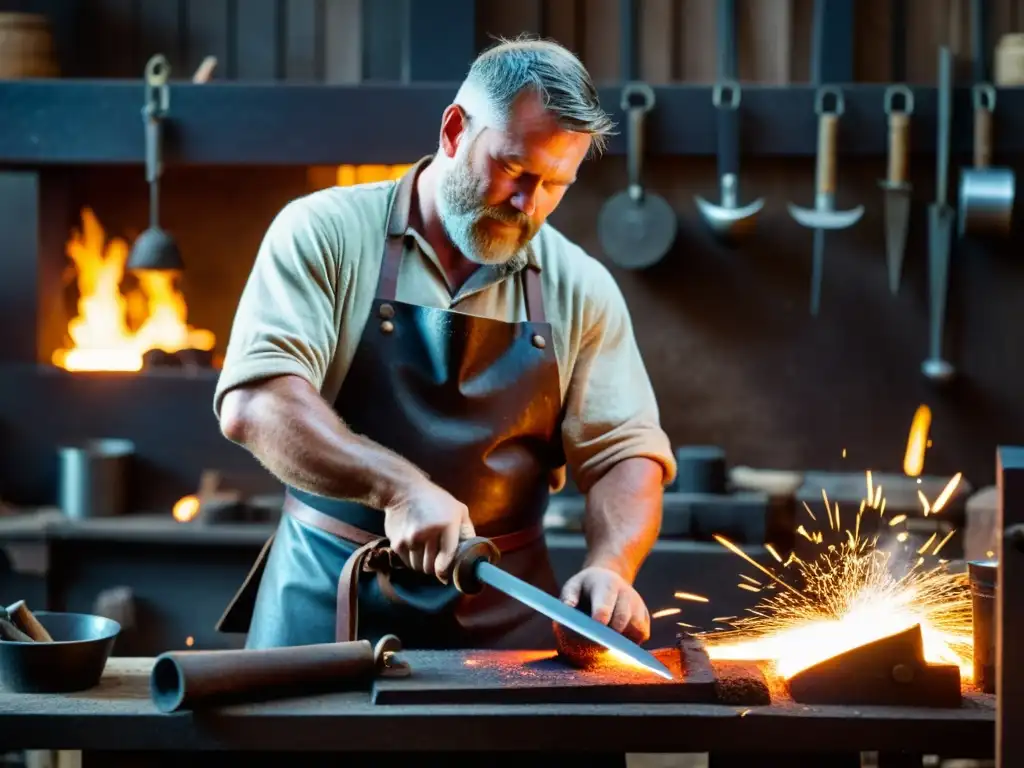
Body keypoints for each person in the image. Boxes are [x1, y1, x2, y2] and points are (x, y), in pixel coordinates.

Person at [213, 37, 676, 660]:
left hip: (505, 625)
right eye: (514, 169)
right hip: (326, 607)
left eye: (553, 184)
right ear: (455, 130)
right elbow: (257, 404)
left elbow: (625, 452)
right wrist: (398, 489)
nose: (528, 204)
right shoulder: (324, 233)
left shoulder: (579, 285)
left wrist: (612, 566)